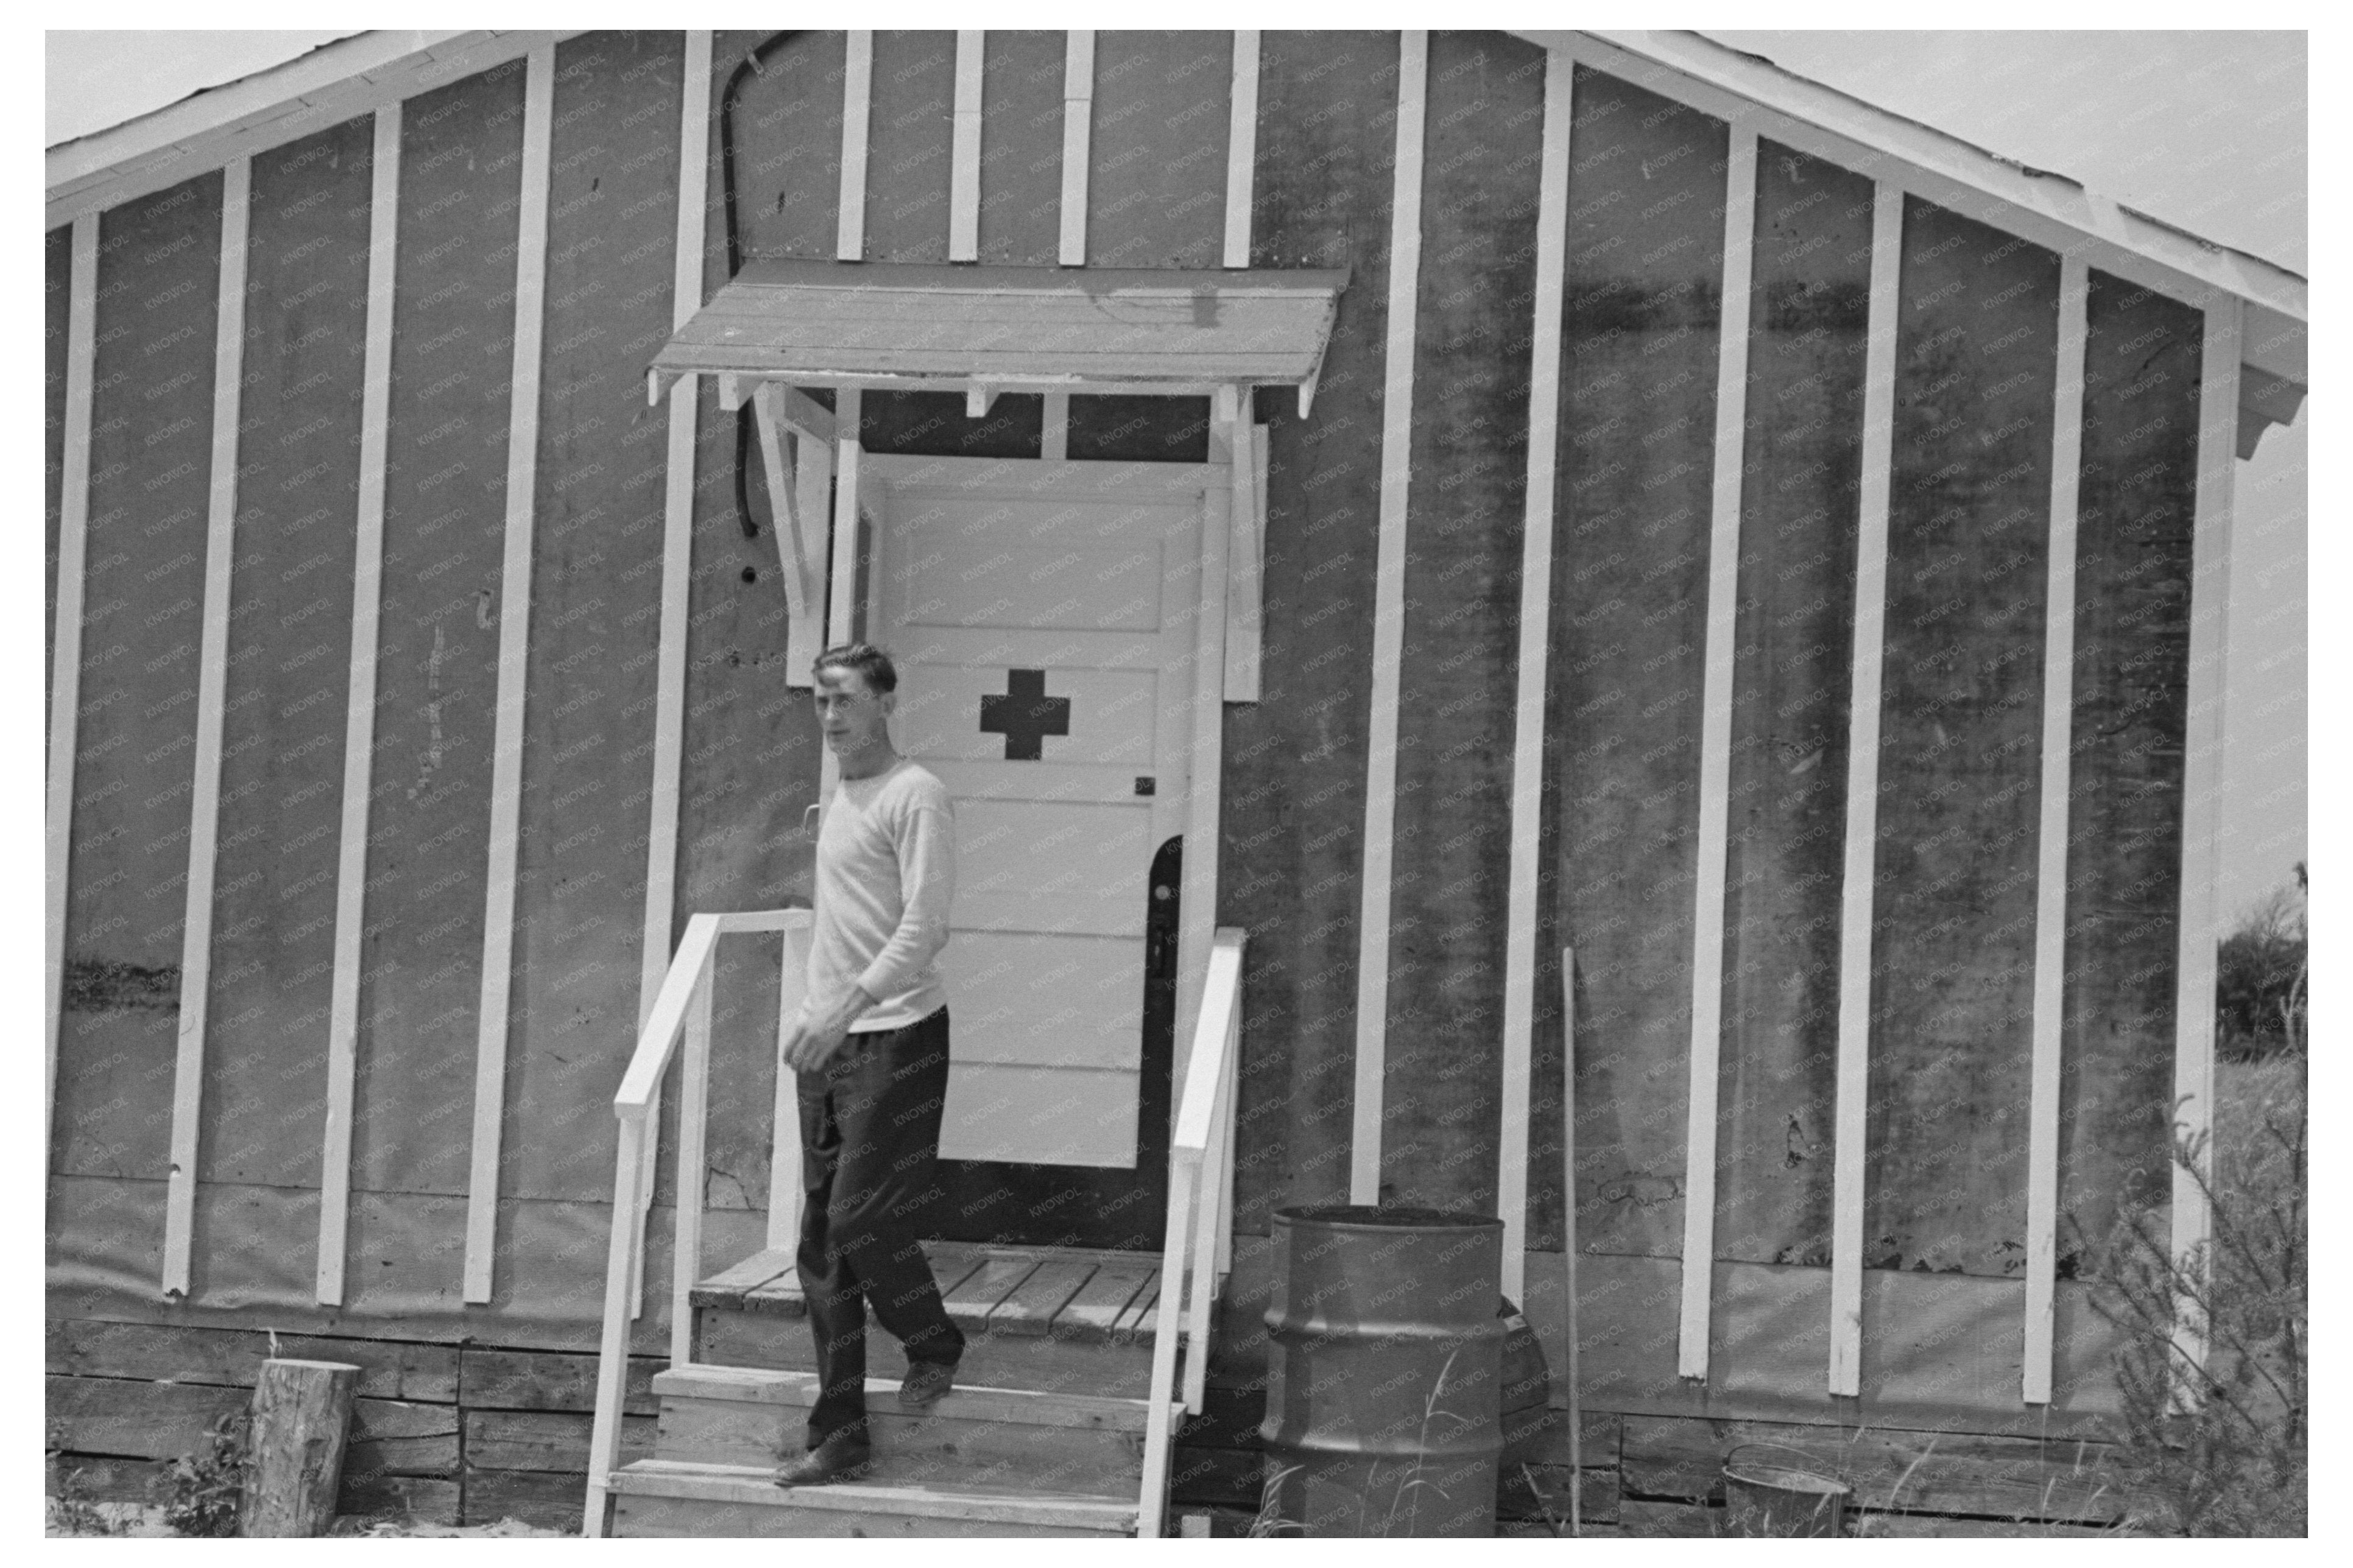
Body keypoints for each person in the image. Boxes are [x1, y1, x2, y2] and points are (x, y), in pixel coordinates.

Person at [774, 642, 964, 1486]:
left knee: (862, 1219)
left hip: (897, 1036)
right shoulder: (838, 796)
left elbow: (923, 929)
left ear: (885, 701)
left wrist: (846, 1012)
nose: (831, 716)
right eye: (820, 701)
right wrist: (817, 1018)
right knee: (821, 1244)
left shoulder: (914, 794)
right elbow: (842, 923)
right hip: (830, 1047)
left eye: (845, 699)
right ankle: (841, 1428)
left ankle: (932, 1340)